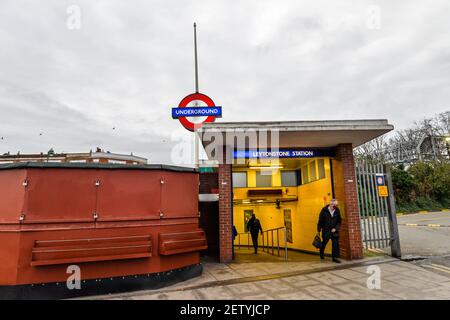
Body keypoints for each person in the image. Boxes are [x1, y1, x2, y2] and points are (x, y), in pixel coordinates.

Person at [317, 199, 342, 263]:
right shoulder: (324, 210)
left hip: (334, 231)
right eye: (335, 205)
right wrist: (319, 230)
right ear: (331, 204)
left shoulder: (337, 211)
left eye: (336, 205)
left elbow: (339, 221)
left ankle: (334, 257)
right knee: (324, 242)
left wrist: (336, 228)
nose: (336, 206)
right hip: (326, 230)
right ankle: (321, 252)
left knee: (335, 244)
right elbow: (320, 220)